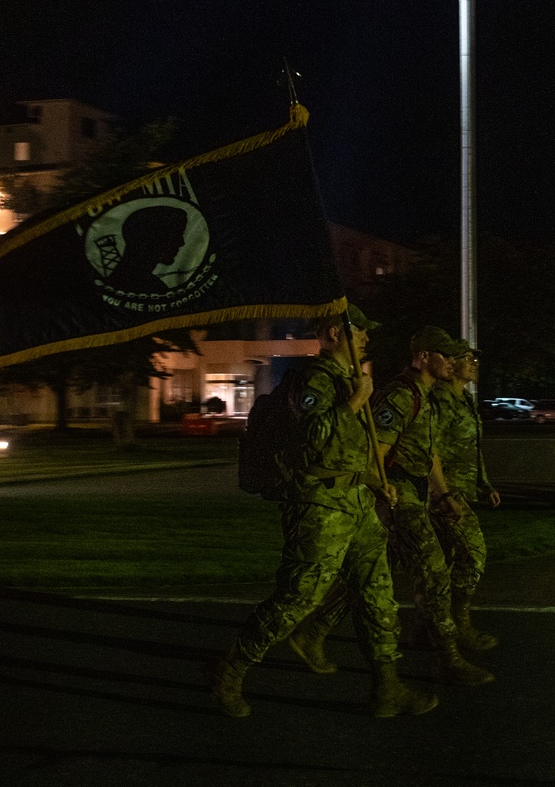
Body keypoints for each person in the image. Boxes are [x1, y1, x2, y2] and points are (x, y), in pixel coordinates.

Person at [209, 305, 437, 720]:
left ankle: (387, 687)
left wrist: (374, 480)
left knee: (377, 595)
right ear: (334, 333)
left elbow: (356, 445)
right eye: (359, 331)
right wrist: (353, 401)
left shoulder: (350, 379)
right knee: (298, 597)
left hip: (357, 501)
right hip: (319, 506)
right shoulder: (313, 380)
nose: (366, 338)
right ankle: (230, 670)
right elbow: (312, 439)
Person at [370, 326, 494, 685]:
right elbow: (375, 452)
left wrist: (442, 494)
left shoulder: (422, 394)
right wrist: (385, 492)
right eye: (447, 356)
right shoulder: (401, 395)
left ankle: (312, 633)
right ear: (425, 357)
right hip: (400, 496)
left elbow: (430, 452)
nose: (454, 362)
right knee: (432, 573)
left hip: (421, 493)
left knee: (371, 579)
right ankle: (448, 657)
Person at [430, 344, 501, 651]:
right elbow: (430, 448)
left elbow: (473, 447)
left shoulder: (466, 400)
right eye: (467, 360)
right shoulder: (440, 400)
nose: (474, 364)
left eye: (475, 360)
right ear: (451, 364)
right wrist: (442, 493)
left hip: (462, 490)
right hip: (444, 494)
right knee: (473, 555)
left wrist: (485, 484)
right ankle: (461, 626)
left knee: (444, 562)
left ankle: (430, 627)